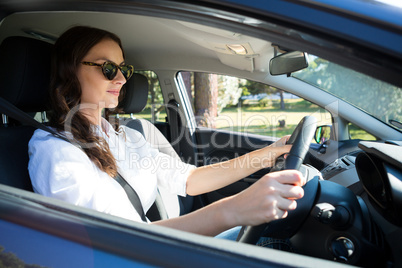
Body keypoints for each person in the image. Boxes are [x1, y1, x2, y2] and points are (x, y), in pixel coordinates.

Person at [28, 26, 305, 239]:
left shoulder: (125, 136)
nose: (122, 78)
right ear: (69, 71)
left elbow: (189, 179)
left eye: (123, 68)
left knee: (280, 238)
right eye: (107, 68)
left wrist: (267, 155)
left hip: (156, 246)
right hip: (134, 255)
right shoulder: (55, 150)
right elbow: (112, 242)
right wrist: (234, 209)